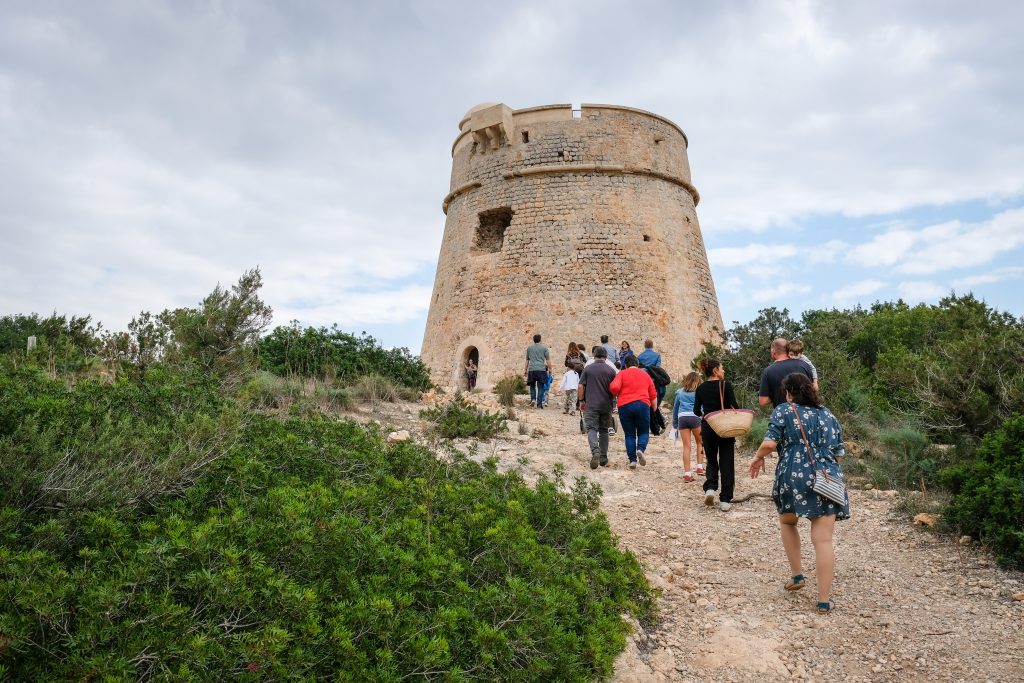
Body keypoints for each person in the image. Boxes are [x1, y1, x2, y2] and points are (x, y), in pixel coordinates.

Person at [749, 373, 850, 614]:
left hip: (793, 474)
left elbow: (770, 443)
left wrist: (758, 456)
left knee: (788, 521)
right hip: (827, 475)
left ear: (788, 392)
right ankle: (824, 600)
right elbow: (838, 453)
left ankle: (797, 576)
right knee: (823, 540)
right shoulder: (828, 415)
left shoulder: (784, 410)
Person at [694, 359, 740, 511]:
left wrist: (706, 415)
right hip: (724, 426)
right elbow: (735, 406)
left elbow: (695, 411)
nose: (723, 371)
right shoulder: (726, 385)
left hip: (708, 425)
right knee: (727, 461)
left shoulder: (700, 388)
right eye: (722, 368)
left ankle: (710, 488)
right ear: (715, 371)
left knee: (711, 458)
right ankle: (725, 499)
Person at [610, 356, 657, 469]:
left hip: (625, 405)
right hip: (642, 404)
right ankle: (640, 449)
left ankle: (632, 460)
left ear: (625, 365)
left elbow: (614, 387)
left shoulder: (621, 374)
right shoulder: (645, 375)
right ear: (637, 364)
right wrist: (653, 409)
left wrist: (615, 394)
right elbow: (653, 395)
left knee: (629, 434)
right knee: (643, 432)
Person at [579, 347, 618, 469]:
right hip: (606, 405)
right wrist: (612, 401)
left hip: (591, 405)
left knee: (591, 428)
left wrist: (581, 401)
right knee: (604, 431)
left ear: (594, 356)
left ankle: (595, 451)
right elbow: (615, 388)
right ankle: (603, 458)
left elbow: (581, 386)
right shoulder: (611, 371)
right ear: (606, 357)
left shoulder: (588, 369)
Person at [759, 338, 814, 408]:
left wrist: (776, 395)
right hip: (806, 414)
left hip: (783, 415)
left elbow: (763, 401)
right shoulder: (804, 365)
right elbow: (814, 389)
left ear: (773, 351)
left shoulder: (768, 371)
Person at [672, 371, 705, 482]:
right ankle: (700, 467)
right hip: (695, 418)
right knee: (700, 442)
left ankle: (687, 474)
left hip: (682, 418)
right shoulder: (700, 392)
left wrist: (675, 424)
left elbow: (675, 409)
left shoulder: (679, 392)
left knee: (686, 446)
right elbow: (703, 407)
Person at [523, 334, 552, 408]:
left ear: (533, 340)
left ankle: (533, 399)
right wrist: (550, 369)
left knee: (532, 385)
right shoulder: (544, 348)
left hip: (532, 369)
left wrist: (525, 370)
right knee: (541, 387)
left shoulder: (529, 348)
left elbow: (527, 360)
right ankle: (539, 404)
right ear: (540, 339)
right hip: (541, 369)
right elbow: (548, 360)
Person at [637, 339, 666, 407]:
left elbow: (638, 368)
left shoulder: (640, 356)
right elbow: (657, 368)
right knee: (662, 391)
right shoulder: (657, 355)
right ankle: (656, 407)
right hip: (653, 380)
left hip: (642, 380)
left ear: (645, 346)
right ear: (652, 346)